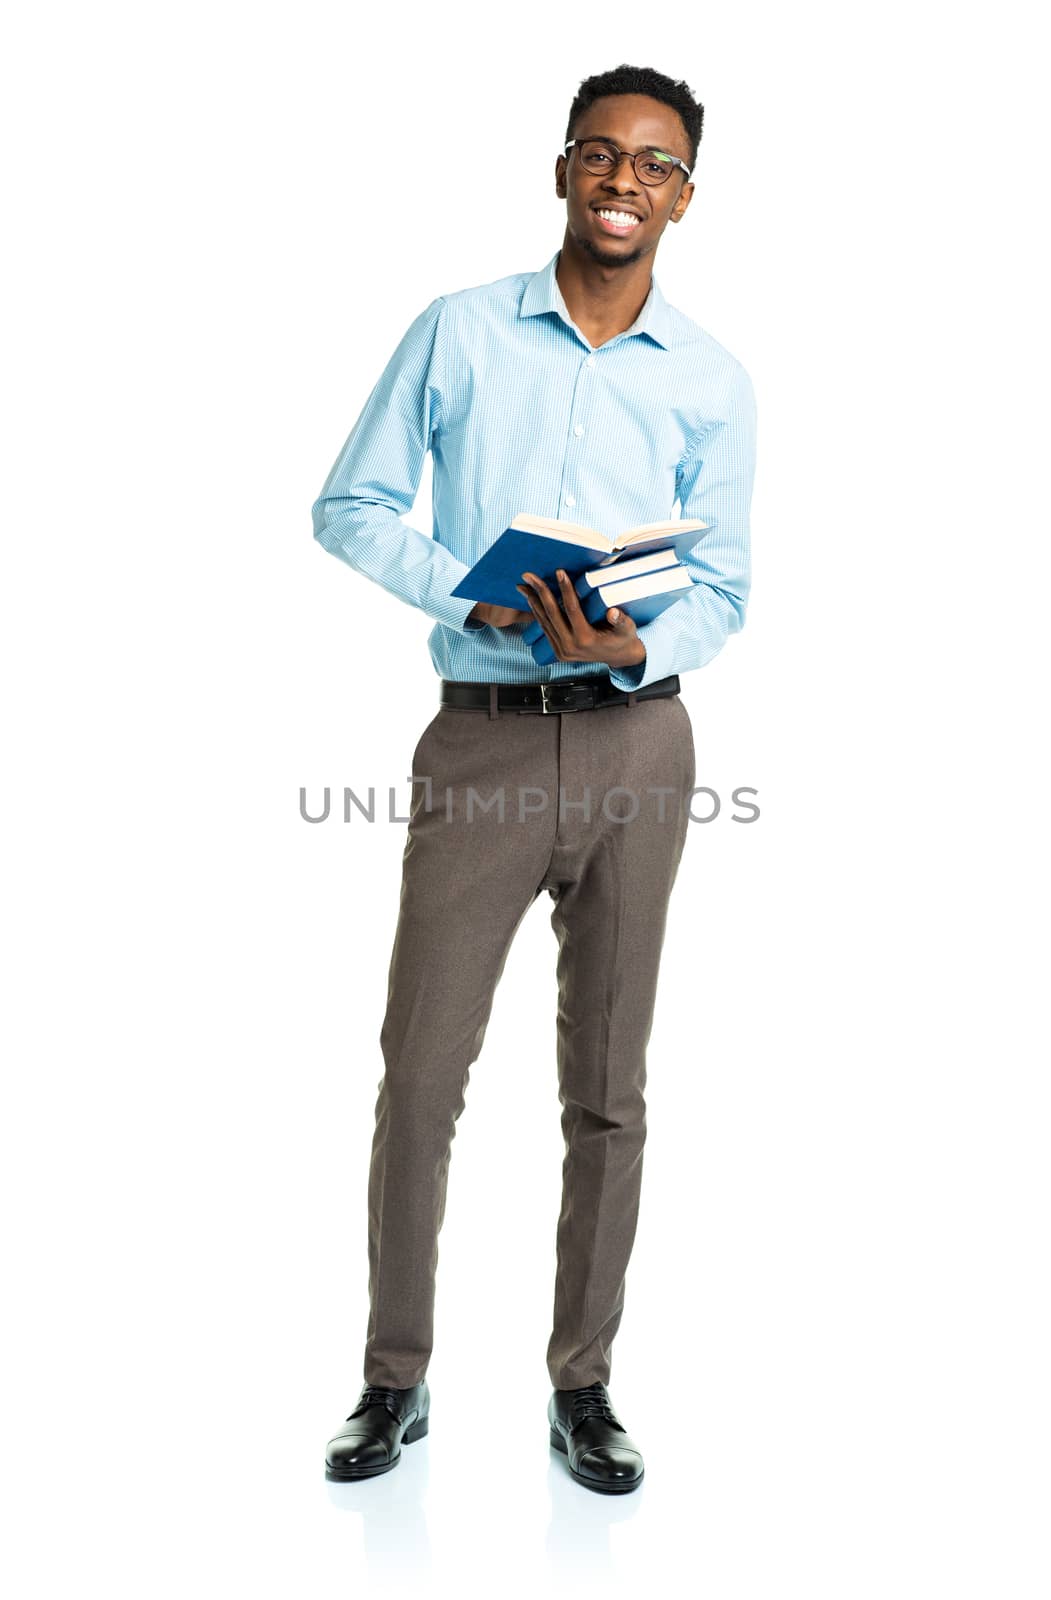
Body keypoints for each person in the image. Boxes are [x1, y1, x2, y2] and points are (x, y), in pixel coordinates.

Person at [313, 62, 757, 1495]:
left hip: (640, 739)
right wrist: (471, 597)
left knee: (609, 1088)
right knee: (423, 1069)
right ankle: (395, 1382)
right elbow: (350, 503)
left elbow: (730, 585)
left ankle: (584, 1385)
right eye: (601, 155)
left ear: (687, 193)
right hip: (484, 738)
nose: (625, 182)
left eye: (655, 164)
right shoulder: (457, 333)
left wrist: (642, 640)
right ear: (562, 169)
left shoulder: (713, 380)